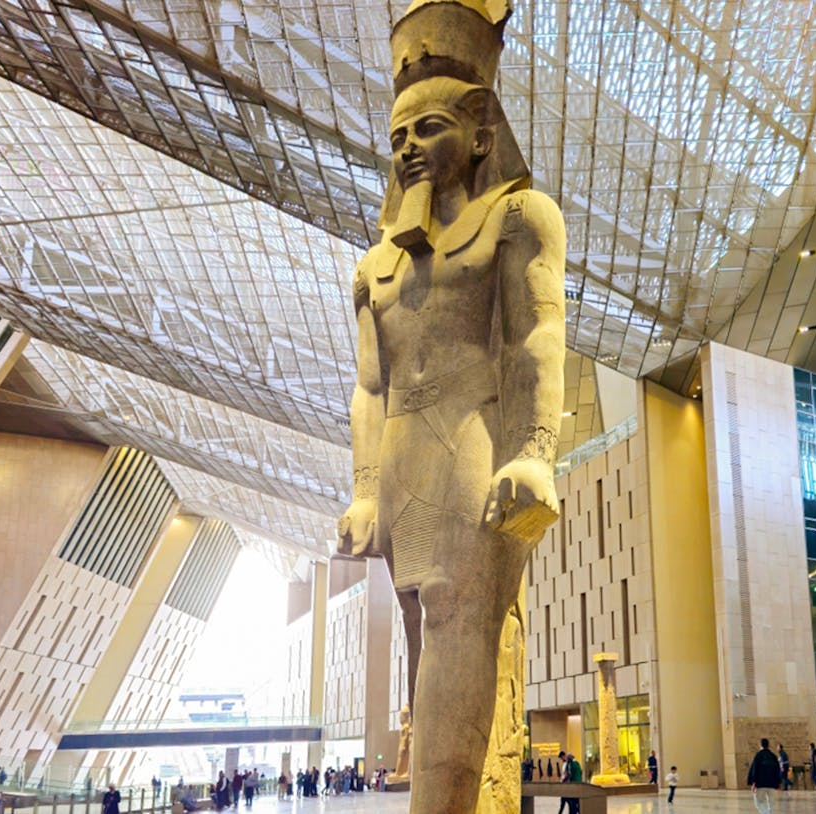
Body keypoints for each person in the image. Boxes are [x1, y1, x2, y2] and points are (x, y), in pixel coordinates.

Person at [336, 3, 567, 812]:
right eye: (397, 136)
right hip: (402, 459)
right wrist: (365, 488)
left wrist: (535, 447)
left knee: (458, 624)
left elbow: (537, 336)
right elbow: (371, 386)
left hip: (471, 437)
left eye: (425, 128)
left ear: (478, 132)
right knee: (421, 634)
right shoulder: (375, 269)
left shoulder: (517, 218)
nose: (406, 148)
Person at [747, 738, 782, 814]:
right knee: (772, 804)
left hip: (760, 784)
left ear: (760, 745)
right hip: (772, 784)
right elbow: (777, 770)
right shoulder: (773, 756)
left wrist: (753, 782)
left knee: (760, 802)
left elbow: (754, 769)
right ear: (768, 745)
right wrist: (779, 782)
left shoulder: (758, 756)